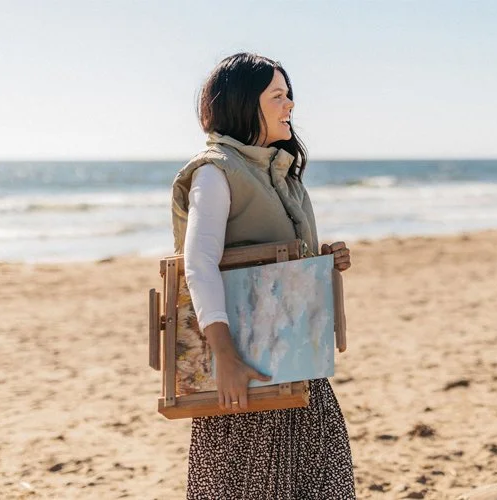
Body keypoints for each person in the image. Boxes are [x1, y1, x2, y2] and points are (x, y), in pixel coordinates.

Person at [170, 52, 355, 499]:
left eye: (289, 95)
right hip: (245, 371)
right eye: (277, 96)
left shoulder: (281, 174)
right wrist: (225, 356)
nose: (290, 105)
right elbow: (198, 263)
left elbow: (268, 263)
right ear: (242, 103)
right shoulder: (215, 172)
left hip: (297, 367)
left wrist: (321, 261)